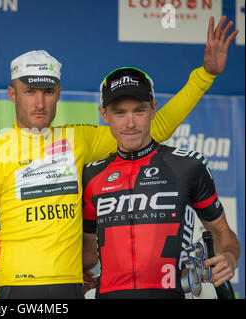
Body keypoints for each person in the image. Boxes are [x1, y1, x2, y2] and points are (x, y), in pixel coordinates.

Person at [0, 16, 238, 299]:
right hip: (14, 287)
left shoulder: (77, 139)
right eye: (29, 92)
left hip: (71, 286)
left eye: (47, 92)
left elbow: (152, 128)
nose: (39, 102)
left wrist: (204, 76)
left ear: (59, 93)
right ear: (12, 94)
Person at [81, 64, 240, 299]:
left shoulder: (189, 165)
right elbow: (88, 251)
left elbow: (223, 232)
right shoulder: (91, 175)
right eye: (119, 112)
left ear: (154, 109)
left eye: (139, 110)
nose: (130, 123)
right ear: (104, 115)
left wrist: (230, 256)